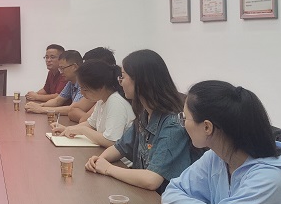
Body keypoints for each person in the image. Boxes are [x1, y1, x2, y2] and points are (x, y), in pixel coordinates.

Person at [84, 49, 201, 194]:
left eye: (123, 77)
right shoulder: (145, 114)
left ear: (141, 81)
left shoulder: (173, 124)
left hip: (163, 200)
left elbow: (152, 180)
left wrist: (108, 168)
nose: (120, 82)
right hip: (144, 195)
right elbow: (120, 148)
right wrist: (99, 160)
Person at [50, 59, 134, 148]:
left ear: (101, 87)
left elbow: (111, 141)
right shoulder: (102, 100)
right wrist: (68, 129)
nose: (82, 93)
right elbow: (91, 124)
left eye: (85, 89)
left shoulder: (116, 102)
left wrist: (82, 130)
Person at [25, 50, 95, 122]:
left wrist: (41, 109)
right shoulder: (71, 82)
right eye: (59, 68)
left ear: (74, 67)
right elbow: (57, 100)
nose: (60, 72)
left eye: (62, 68)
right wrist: (40, 105)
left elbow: (71, 108)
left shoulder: (85, 83)